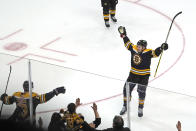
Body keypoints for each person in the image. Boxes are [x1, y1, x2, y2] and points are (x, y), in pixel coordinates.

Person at [118, 26, 168, 117]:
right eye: (137, 46)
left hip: (144, 77)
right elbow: (128, 44)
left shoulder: (148, 52)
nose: (138, 47)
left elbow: (155, 53)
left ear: (144, 47)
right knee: (126, 89)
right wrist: (124, 35)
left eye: (140, 46)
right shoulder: (134, 48)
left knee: (141, 92)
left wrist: (161, 48)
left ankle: (140, 108)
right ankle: (125, 105)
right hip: (132, 74)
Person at [0, 80, 66, 125]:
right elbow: (44, 98)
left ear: (23, 87)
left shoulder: (16, 94)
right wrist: (55, 92)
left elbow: (7, 101)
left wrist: (3, 97)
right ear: (32, 87)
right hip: (28, 123)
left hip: (17, 121)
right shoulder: (33, 96)